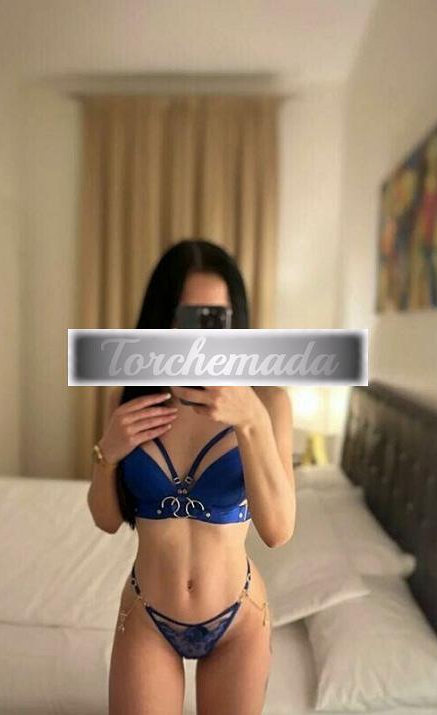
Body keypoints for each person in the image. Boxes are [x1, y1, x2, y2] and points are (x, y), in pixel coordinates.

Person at [87, 238, 295, 715]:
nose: (201, 335)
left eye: (215, 318)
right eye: (187, 317)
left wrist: (252, 421)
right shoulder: (129, 399)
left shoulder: (268, 401)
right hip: (147, 615)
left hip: (238, 620)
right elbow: (105, 519)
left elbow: (278, 530)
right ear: (162, 320)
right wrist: (107, 452)